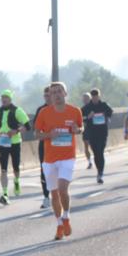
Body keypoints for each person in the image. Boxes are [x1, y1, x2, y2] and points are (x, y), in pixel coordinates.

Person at [34, 82, 83, 240]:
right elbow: (37, 134)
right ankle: (59, 224)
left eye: (59, 91)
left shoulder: (75, 111)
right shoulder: (44, 112)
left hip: (67, 157)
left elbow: (81, 128)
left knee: (63, 189)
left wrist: (78, 130)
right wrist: (49, 135)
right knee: (54, 194)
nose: (56, 94)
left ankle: (66, 217)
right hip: (50, 159)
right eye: (53, 92)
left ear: (65, 93)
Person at [0, 89, 31, 205]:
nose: (4, 100)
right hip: (2, 142)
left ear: (10, 99)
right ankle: (5, 193)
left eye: (6, 97)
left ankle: (16, 181)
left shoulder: (17, 111)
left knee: (16, 167)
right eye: (2, 97)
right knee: (3, 169)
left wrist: (16, 131)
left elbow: (28, 126)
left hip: (15, 142)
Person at [81, 88, 114, 183]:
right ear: (91, 97)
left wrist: (105, 116)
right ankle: (99, 171)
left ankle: (100, 173)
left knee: (100, 151)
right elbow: (80, 117)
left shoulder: (104, 105)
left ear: (99, 96)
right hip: (92, 133)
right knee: (96, 153)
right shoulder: (87, 107)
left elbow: (110, 112)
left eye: (96, 96)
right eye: (93, 96)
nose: (95, 98)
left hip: (102, 133)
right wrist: (88, 117)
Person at [33, 86, 52, 209]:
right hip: (44, 145)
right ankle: (46, 197)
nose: (47, 98)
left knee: (57, 171)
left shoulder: (61, 109)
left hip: (60, 146)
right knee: (44, 171)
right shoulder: (40, 110)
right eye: (45, 96)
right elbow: (36, 130)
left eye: (49, 95)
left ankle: (58, 193)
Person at [81, 92, 93, 169]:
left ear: (90, 99)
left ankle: (98, 159)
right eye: (84, 98)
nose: (85, 100)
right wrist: (87, 118)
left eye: (87, 98)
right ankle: (89, 162)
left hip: (94, 130)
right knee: (86, 147)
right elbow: (80, 119)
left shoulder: (94, 107)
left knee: (94, 147)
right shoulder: (82, 109)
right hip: (86, 130)